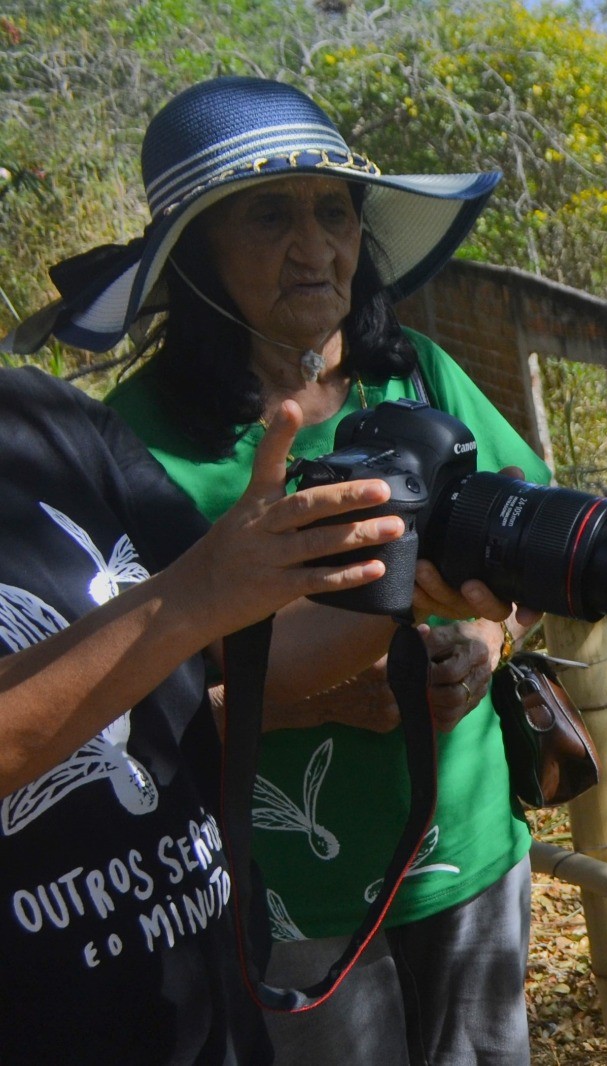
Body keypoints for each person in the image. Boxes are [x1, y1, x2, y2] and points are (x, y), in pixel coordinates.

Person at [12, 76, 547, 1064]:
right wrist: (309, 700)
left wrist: (485, 634)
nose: (318, 248)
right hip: (282, 876)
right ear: (198, 254)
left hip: (465, 847)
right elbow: (109, 707)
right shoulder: (126, 446)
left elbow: (524, 534)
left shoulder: (418, 377)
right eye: (269, 217)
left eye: (335, 212)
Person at [0, 370, 411, 1063]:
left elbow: (260, 641)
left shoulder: (47, 415)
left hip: (205, 1009)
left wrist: (410, 582)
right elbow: (198, 598)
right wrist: (188, 597)